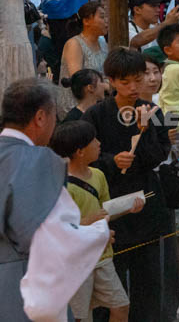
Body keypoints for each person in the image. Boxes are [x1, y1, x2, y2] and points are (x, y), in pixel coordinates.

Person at [0, 78, 110, 321]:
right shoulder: (36, 160)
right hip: (20, 285)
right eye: (53, 116)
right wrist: (98, 233)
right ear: (40, 117)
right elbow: (48, 233)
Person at [83, 47, 177, 322]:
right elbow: (85, 159)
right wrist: (113, 161)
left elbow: (160, 154)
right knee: (109, 283)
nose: (134, 87)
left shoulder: (155, 112)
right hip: (110, 207)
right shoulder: (96, 115)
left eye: (138, 79)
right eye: (126, 82)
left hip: (147, 203)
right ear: (111, 81)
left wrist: (144, 132)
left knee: (148, 280)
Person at [52, 120, 143, 322]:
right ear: (80, 151)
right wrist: (88, 221)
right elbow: (58, 228)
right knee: (80, 316)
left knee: (121, 306)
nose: (99, 143)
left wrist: (128, 207)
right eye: (93, 141)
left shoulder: (98, 175)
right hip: (76, 261)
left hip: (102, 256)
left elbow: (105, 210)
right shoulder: (60, 184)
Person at [59, 0, 109, 115]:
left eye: (107, 17)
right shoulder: (74, 44)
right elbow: (79, 79)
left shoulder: (102, 42)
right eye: (102, 17)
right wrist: (106, 86)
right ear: (86, 21)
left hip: (97, 101)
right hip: (76, 106)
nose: (107, 21)